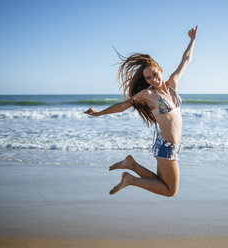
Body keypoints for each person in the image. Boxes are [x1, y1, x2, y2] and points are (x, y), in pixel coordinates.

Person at [84, 25, 198, 197]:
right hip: (166, 147)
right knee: (170, 191)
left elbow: (186, 59)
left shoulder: (172, 84)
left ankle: (132, 165)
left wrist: (192, 40)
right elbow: (122, 106)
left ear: (161, 70)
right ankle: (130, 179)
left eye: (154, 74)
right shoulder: (148, 94)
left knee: (162, 183)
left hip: (168, 146)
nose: (153, 79)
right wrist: (98, 113)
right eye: (148, 78)